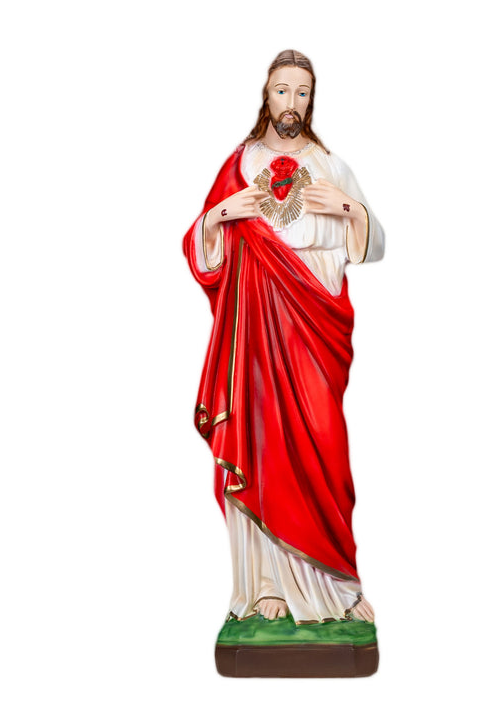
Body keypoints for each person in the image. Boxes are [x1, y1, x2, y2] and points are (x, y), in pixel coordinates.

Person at [183, 50, 384, 626]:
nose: (290, 102)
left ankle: (335, 586)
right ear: (265, 95)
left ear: (311, 100)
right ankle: (268, 584)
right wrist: (220, 215)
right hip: (256, 331)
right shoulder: (241, 164)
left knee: (324, 444)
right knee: (263, 442)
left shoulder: (330, 165)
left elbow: (374, 244)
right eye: (281, 90)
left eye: (301, 92)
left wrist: (348, 208)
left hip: (315, 327)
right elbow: (197, 244)